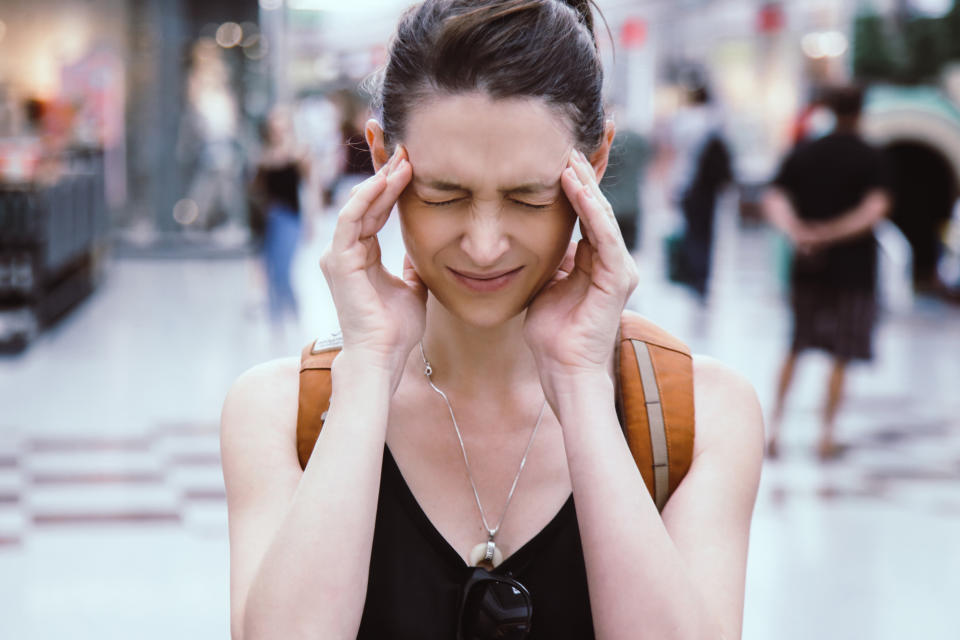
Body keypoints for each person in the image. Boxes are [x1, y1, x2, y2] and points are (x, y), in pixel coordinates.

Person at [221, 2, 763, 638]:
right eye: (443, 196)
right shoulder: (282, 413)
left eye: (528, 197)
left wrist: (581, 380)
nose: (484, 245)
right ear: (380, 161)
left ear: (595, 163)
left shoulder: (694, 417)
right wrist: (369, 365)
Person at [763, 85, 891, 460]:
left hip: (807, 265)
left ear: (829, 110)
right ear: (861, 111)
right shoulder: (873, 157)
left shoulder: (805, 152)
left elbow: (774, 198)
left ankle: (775, 429)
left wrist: (800, 233)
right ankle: (826, 435)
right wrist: (832, 234)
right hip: (854, 270)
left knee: (796, 344)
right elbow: (874, 209)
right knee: (841, 354)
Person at [667, 82, 733, 300]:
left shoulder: (684, 119)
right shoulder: (715, 120)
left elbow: (676, 154)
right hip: (709, 186)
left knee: (692, 231)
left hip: (687, 184)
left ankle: (694, 276)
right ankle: (703, 276)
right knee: (707, 232)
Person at [250, 105, 311, 327]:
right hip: (269, 220)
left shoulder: (298, 154)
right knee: (270, 271)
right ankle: (275, 320)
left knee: (284, 272)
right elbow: (256, 189)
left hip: (290, 219)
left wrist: (310, 222)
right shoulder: (263, 156)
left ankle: (294, 316)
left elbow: (310, 188)